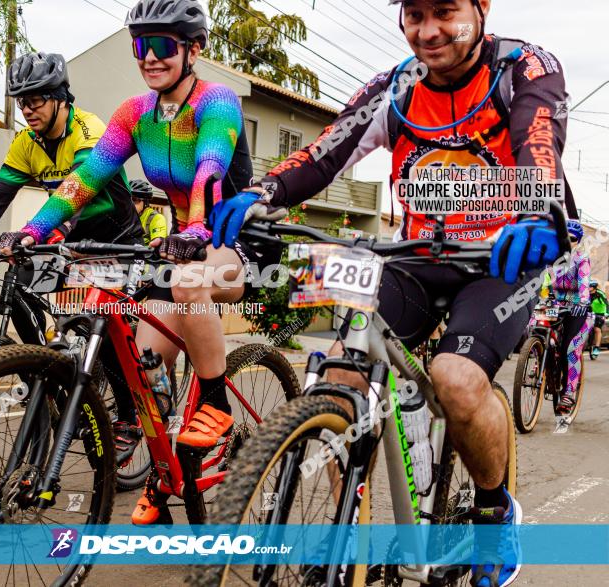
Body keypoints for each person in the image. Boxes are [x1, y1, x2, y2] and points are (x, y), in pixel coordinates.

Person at [210, 1, 572, 584]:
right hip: (417, 257)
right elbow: (326, 151)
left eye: (445, 12)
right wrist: (264, 191)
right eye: (414, 14)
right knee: (342, 375)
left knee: (456, 380)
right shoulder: (397, 87)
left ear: (480, 9)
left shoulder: (524, 70)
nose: (427, 31)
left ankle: (493, 512)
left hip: (501, 260)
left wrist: (537, 212)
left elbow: (539, 143)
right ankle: (351, 524)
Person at [0, 0, 262, 525]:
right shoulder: (134, 113)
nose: (150, 57)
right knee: (145, 365)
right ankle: (167, 477)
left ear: (193, 50)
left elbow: (210, 167)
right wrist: (31, 231)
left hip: (236, 241)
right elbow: (86, 178)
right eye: (142, 46)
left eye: (163, 45)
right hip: (184, 248)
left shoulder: (218, 102)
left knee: (188, 284)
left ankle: (217, 405)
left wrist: (192, 229)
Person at [0, 51, 145, 465]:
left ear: (60, 97)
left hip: (114, 241)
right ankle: (49, 377)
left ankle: (127, 417)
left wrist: (50, 231)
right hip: (65, 239)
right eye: (21, 100)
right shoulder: (26, 142)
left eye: (35, 99)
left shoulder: (89, 130)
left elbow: (81, 194)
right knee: (38, 300)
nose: (27, 108)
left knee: (103, 328)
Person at [552, 220, 592, 415]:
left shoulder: (582, 258)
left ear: (578, 241)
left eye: (573, 238)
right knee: (538, 329)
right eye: (565, 236)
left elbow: (584, 282)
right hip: (555, 306)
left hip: (578, 308)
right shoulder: (551, 256)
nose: (568, 241)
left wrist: (582, 302)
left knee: (569, 346)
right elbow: (539, 281)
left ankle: (569, 392)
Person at [129, 178, 168, 244]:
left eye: (135, 200)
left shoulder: (156, 218)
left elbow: (158, 242)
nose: (131, 204)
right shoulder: (124, 216)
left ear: (145, 202)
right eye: (128, 200)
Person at [588, 279, 607, 351]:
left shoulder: (600, 293)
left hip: (600, 313)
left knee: (597, 329)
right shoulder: (586, 294)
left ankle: (597, 347)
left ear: (594, 287)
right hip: (589, 313)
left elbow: (606, 304)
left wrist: (607, 313)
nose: (588, 288)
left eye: (589, 286)